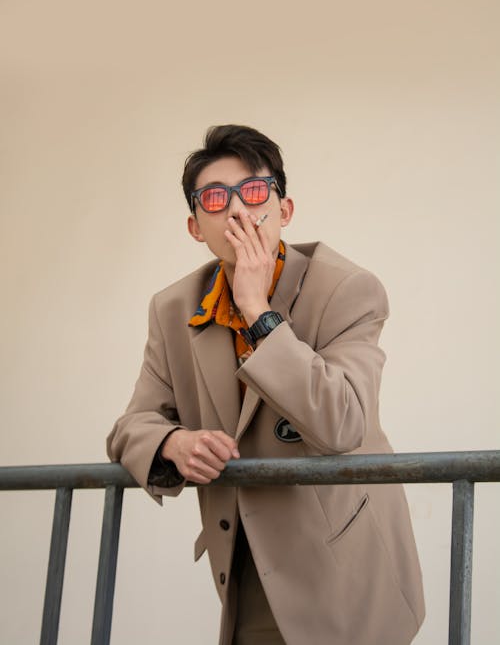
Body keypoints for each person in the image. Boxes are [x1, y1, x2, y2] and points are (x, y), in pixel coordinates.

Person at [107, 124, 425, 645]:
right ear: (194, 227)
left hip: (346, 565)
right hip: (247, 564)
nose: (236, 211)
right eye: (215, 198)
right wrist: (173, 442)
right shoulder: (173, 308)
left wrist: (259, 312)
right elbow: (131, 425)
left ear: (285, 209)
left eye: (254, 192)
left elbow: (343, 421)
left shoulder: (347, 288)